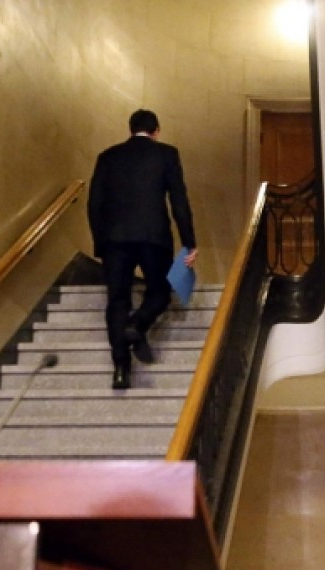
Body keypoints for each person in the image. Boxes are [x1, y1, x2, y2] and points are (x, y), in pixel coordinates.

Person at [87, 109, 198, 389]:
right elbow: (179, 201)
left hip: (114, 240)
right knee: (160, 291)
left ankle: (121, 370)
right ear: (156, 130)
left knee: (117, 300)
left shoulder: (108, 156)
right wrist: (189, 242)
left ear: (130, 129)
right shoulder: (166, 154)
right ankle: (138, 324)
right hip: (153, 236)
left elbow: (94, 203)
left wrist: (101, 242)